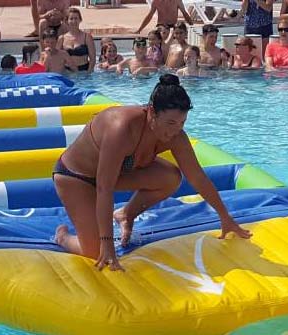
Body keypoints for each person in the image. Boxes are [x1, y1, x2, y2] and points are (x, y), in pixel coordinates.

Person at [52, 74, 252, 272]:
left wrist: (225, 216)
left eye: (182, 123)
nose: (175, 130)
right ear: (152, 112)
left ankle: (126, 215)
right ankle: (63, 237)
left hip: (117, 174)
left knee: (171, 178)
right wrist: (107, 243)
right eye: (171, 123)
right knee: (96, 252)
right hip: (76, 177)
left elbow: (197, 177)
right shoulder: (121, 128)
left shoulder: (176, 136)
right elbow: (105, 189)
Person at [61, 7, 96, 72]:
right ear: (67, 21)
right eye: (71, 19)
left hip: (84, 71)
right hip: (67, 72)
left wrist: (88, 74)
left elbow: (93, 59)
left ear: (80, 20)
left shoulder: (87, 37)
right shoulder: (62, 38)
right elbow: (56, 58)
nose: (74, 21)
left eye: (76, 18)